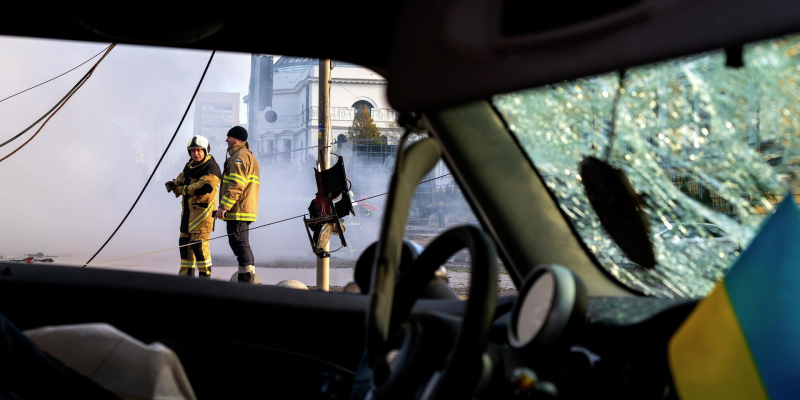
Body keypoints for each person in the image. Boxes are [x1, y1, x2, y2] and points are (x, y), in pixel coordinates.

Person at [165, 135, 222, 278]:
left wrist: (183, 189)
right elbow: (181, 178)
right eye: (192, 151)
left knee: (199, 247)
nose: (195, 154)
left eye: (198, 151)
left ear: (205, 150)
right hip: (187, 214)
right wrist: (174, 183)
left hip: (202, 215)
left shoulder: (211, 167)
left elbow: (204, 187)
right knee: (184, 245)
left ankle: (205, 279)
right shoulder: (190, 165)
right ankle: (185, 280)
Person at [215, 126, 260, 283]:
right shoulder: (243, 155)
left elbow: (236, 184)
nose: (226, 140)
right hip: (242, 208)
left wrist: (223, 207)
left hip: (238, 209)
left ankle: (246, 281)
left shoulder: (239, 157)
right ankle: (249, 277)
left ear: (238, 139)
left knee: (239, 244)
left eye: (230, 137)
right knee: (241, 244)